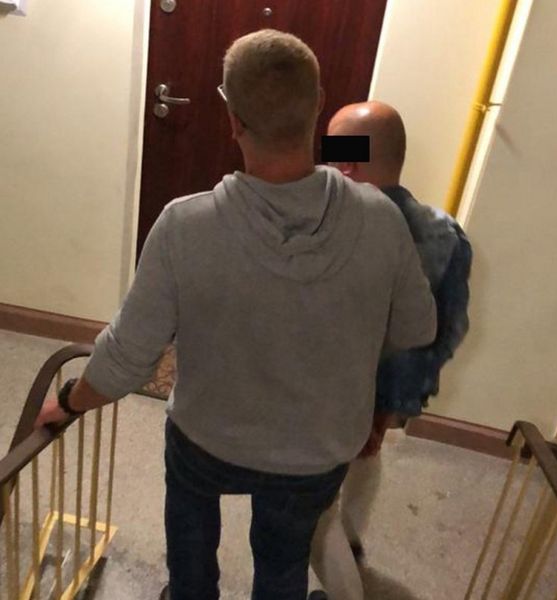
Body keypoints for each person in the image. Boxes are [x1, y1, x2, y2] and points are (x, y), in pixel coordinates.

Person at [35, 32, 437, 600]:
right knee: (283, 562)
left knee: (191, 542)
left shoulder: (184, 226)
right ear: (318, 105)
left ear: (233, 120)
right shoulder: (382, 219)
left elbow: (126, 359)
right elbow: (419, 328)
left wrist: (70, 400)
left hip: (208, 441)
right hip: (319, 451)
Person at [309, 101, 472, 600]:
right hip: (390, 398)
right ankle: (354, 540)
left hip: (331, 403)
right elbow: (449, 329)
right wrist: (393, 407)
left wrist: (370, 408)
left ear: (347, 163)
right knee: (366, 459)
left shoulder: (336, 228)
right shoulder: (447, 232)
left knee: (313, 519)